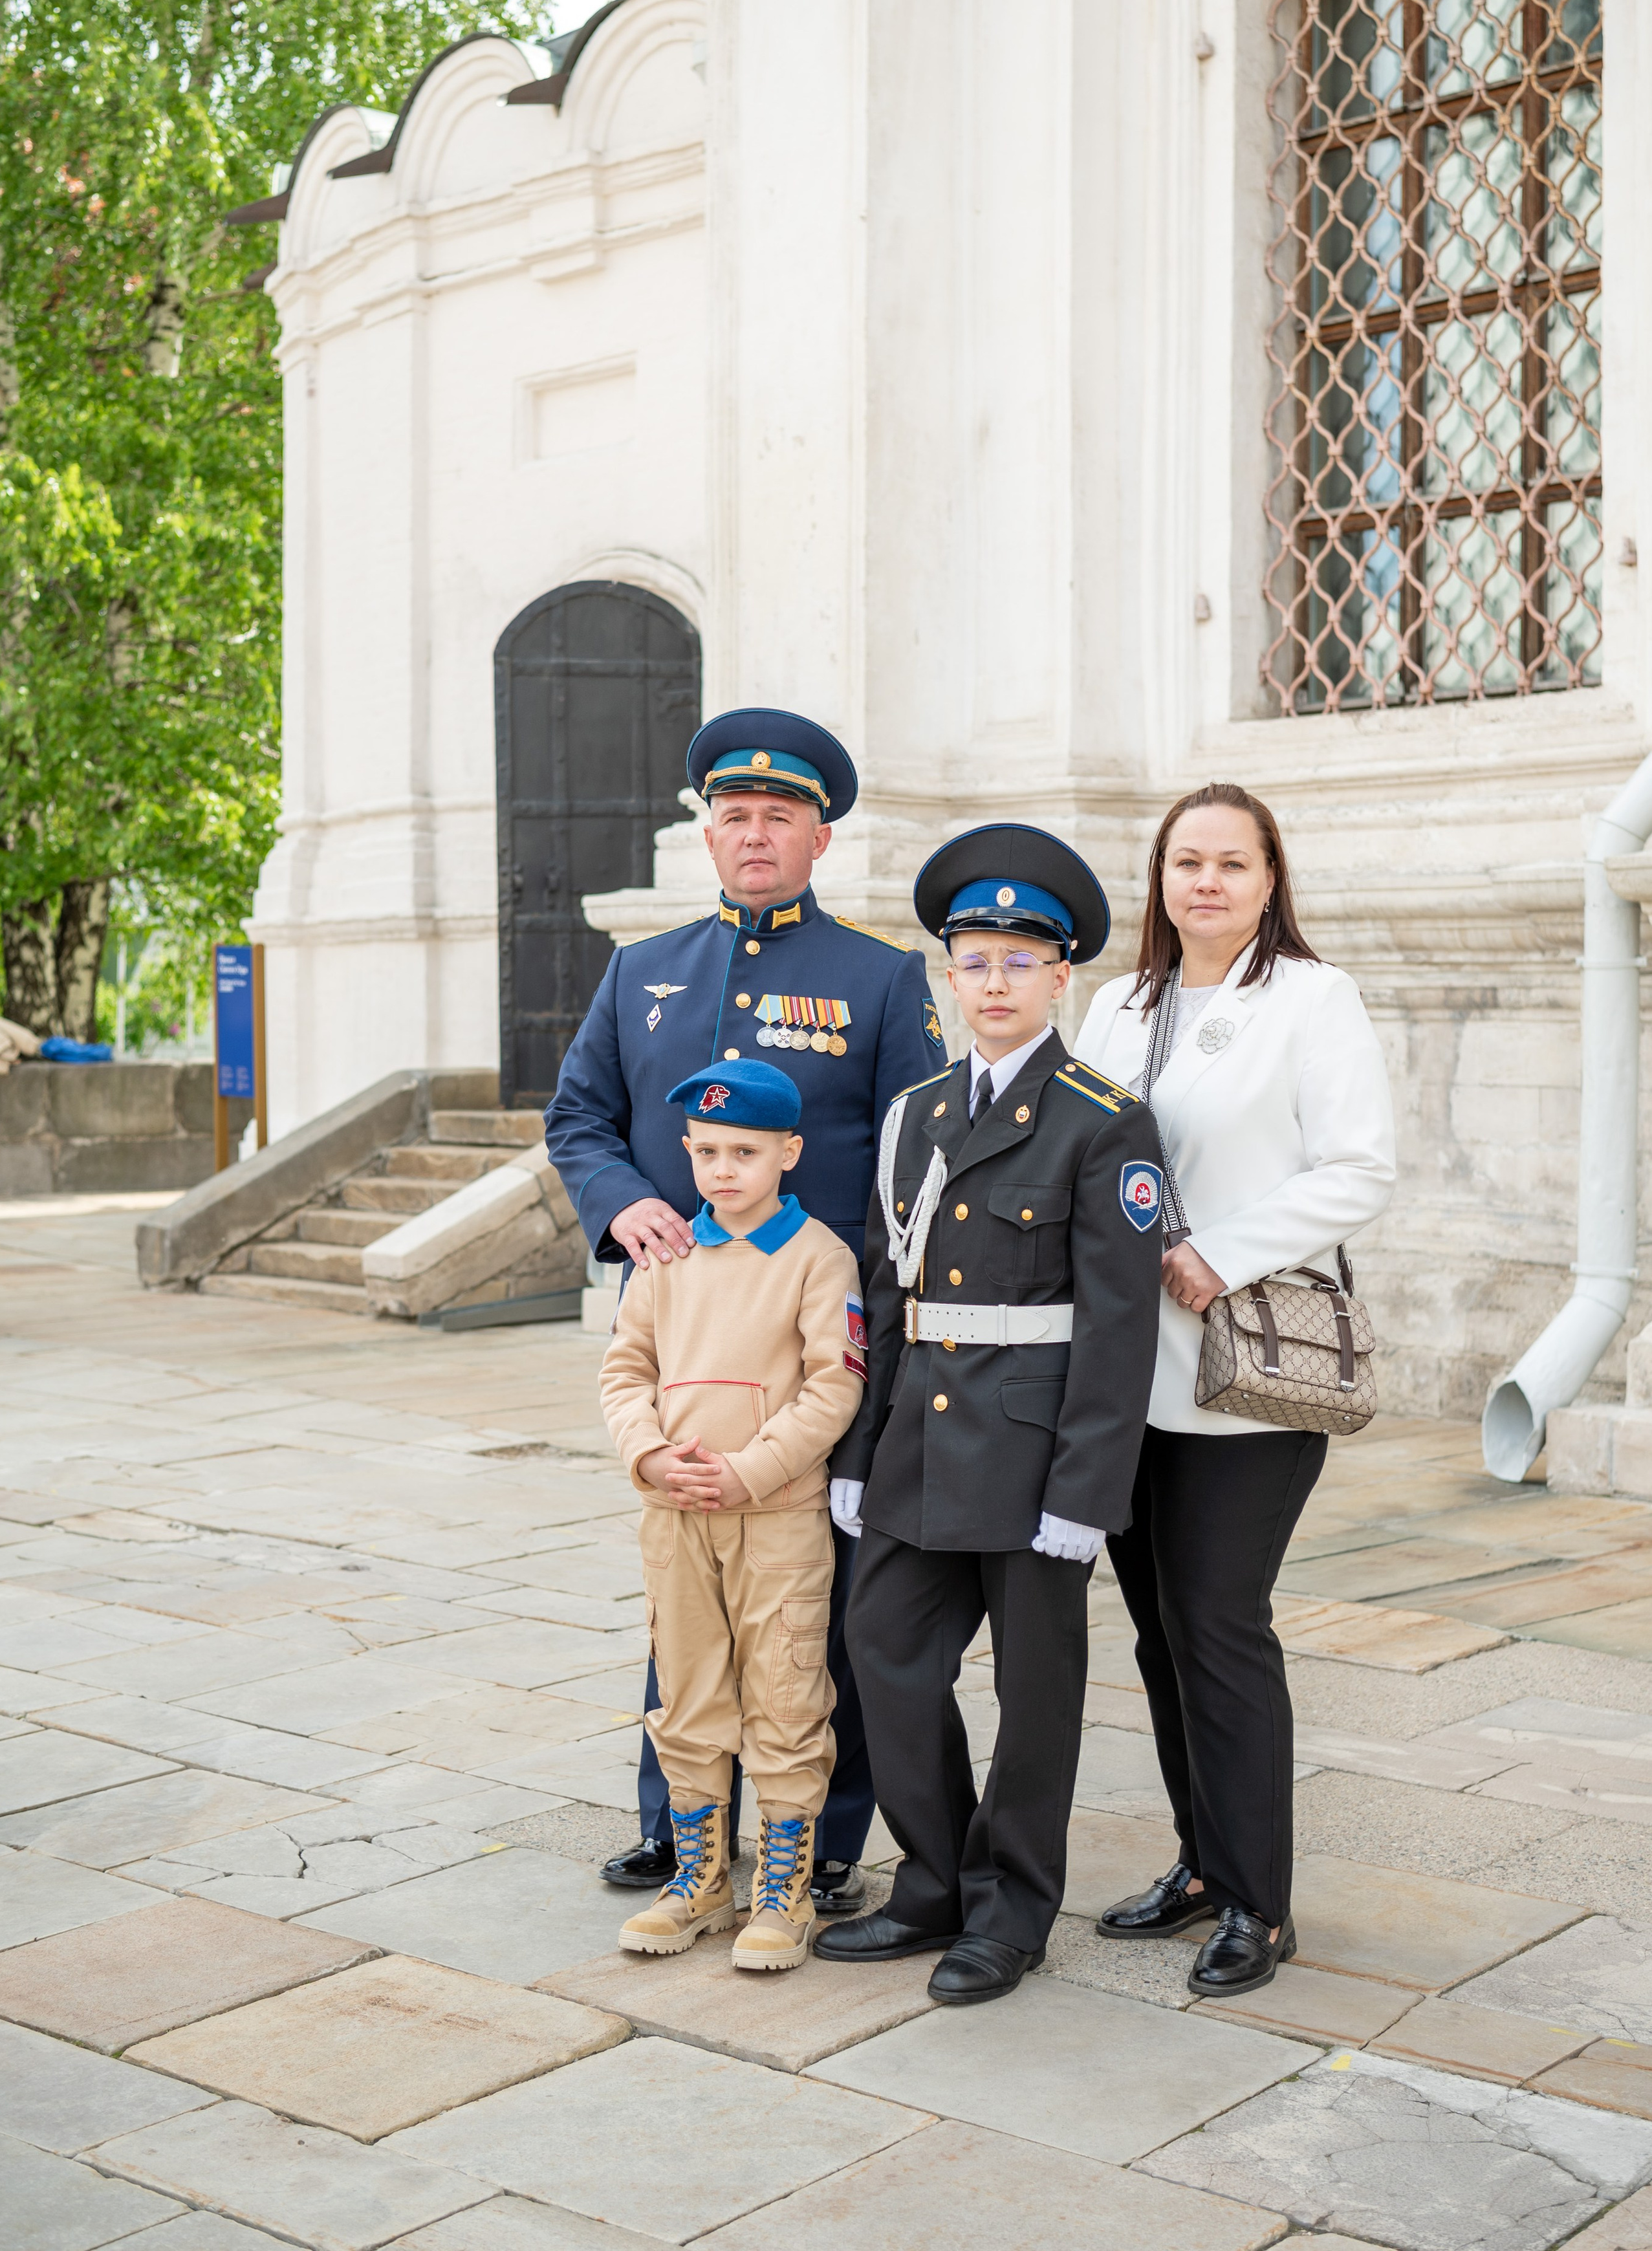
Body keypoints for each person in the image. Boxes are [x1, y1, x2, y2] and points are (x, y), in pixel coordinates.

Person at [545, 707, 946, 1902]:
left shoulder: (878, 981)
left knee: (813, 1595)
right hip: (682, 1339)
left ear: (820, 839)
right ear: (707, 834)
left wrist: (873, 1326)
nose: (755, 835)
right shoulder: (642, 971)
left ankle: (818, 1838)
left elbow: (913, 1157)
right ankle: (680, 1822)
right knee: (686, 1586)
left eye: (781, 817)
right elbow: (579, 1120)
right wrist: (623, 1205)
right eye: (735, 817)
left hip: (813, 1341)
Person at [816, 825, 1164, 2006]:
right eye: (976, 959)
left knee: (1036, 1695)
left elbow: (1121, 1329)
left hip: (1031, 1457)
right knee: (887, 1656)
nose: (997, 980)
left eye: (1022, 958)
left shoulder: (1101, 1119)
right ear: (948, 976)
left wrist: (1088, 1494)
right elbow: (885, 1294)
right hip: (916, 1439)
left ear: (1063, 975)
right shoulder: (915, 1114)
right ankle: (932, 1884)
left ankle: (1010, 1911)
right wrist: (859, 1451)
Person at [1075, 782, 1395, 1998]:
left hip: (1243, 1375)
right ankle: (1201, 1865)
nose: (1206, 883)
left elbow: (1361, 1166)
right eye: (1186, 863)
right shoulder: (1119, 1003)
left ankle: (1260, 1902)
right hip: (1122, 1375)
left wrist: (1223, 1252)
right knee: (1158, 1634)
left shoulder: (1311, 999)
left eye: (1233, 865)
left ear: (1271, 881)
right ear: (1159, 880)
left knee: (1219, 1624)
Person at [600, 1058, 864, 1970]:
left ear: (788, 1152)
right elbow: (625, 1370)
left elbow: (835, 1388)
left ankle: (783, 1889)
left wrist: (750, 1471)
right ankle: (700, 1879)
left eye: (745, 1152)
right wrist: (648, 1452)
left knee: (787, 1695)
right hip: (674, 1516)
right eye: (707, 1151)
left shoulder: (819, 1259)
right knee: (688, 1694)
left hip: (776, 1519)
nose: (723, 1170)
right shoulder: (665, 1261)